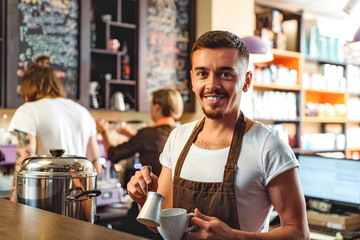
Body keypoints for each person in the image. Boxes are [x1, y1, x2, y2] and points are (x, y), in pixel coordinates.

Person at [127, 31, 310, 239]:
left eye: (225, 74)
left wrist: (233, 237)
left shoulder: (268, 145)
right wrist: (143, 199)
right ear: (192, 80)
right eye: (202, 73)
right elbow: (165, 224)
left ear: (246, 81)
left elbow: (299, 233)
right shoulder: (178, 137)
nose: (212, 85)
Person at [8, 56, 100, 201]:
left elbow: (23, 169)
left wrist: (15, 206)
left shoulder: (28, 111)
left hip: (43, 205)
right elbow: (96, 167)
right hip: (78, 204)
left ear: (28, 88)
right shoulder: (83, 112)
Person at [96, 88, 184, 178]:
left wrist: (103, 132)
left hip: (157, 190)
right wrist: (134, 137)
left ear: (157, 107)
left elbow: (113, 154)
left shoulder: (147, 135)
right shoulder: (182, 132)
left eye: (151, 104)